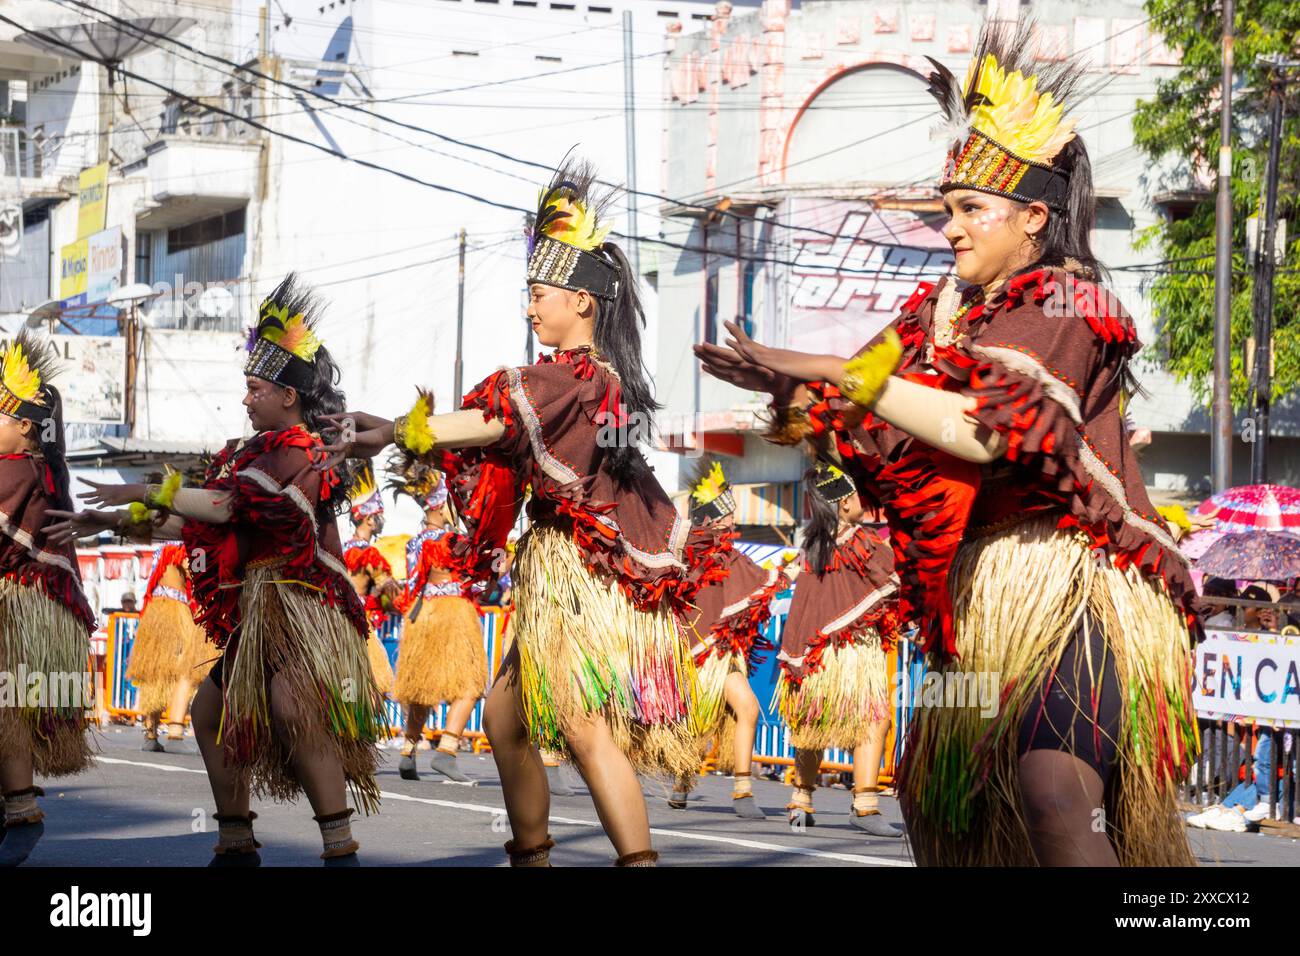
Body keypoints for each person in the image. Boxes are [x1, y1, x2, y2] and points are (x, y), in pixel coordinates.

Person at [695, 20, 1199, 866]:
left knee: (1050, 790)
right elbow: (877, 405)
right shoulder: (939, 316)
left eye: (971, 210)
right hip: (981, 598)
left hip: (1071, 586)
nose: (952, 228)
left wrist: (836, 371)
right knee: (935, 791)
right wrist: (801, 391)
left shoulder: (1073, 302)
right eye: (948, 211)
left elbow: (982, 431)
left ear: (1034, 217)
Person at [317, 159, 728, 865]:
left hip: (580, 574)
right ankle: (532, 855)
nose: (531, 308)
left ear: (583, 302)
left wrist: (394, 429)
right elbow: (498, 429)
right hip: (557, 574)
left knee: (580, 724)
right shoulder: (592, 380)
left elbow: (490, 421)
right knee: (508, 718)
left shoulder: (577, 377)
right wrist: (396, 426)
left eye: (540, 295)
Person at [49, 275, 385, 866]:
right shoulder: (243, 451)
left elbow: (226, 506)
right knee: (209, 714)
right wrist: (106, 523)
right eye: (246, 388)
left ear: (287, 395)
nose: (246, 398)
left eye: (255, 388)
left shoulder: (302, 451)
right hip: (262, 614)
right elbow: (199, 524)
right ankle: (235, 839)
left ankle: (341, 848)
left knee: (292, 710)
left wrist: (148, 488)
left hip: (304, 607)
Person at [0, 332, 96, 867]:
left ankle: (19, 810)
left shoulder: (16, 469)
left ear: (24, 426)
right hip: (33, 607)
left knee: (6, 699)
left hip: (18, 608)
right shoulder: (40, 468)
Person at [777, 463, 904, 838]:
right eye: (856, 495)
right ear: (845, 501)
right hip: (849, 649)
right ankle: (864, 806)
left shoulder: (814, 546)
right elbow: (892, 578)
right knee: (874, 718)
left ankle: (801, 800)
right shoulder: (859, 542)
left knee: (815, 721)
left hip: (816, 650)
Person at [669, 460, 787, 819]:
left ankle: (682, 783)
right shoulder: (696, 553)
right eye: (726, 514)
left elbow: (753, 584)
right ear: (711, 517)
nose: (732, 519)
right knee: (745, 707)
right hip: (704, 652)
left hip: (724, 651)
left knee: (710, 719)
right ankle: (741, 790)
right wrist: (782, 575)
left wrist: (783, 574)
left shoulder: (729, 553)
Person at [385, 458, 486, 784]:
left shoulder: (415, 542)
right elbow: (478, 580)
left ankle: (408, 751)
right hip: (454, 613)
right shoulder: (452, 541)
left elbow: (411, 587)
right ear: (441, 505)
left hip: (422, 614)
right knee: (470, 684)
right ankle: (447, 750)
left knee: (422, 687)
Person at [125, 542, 213, 753]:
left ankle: (150, 734)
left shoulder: (164, 545)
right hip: (175, 613)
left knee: (157, 671)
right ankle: (175, 732)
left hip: (154, 611)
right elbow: (198, 573)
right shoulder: (192, 544)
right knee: (186, 671)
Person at [341, 465, 398, 697]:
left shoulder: (342, 549)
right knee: (373, 688)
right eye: (380, 515)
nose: (383, 519)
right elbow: (389, 590)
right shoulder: (369, 554)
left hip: (340, 623)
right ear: (369, 520)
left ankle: (347, 731)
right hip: (360, 626)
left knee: (347, 685)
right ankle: (359, 733)